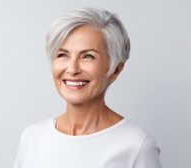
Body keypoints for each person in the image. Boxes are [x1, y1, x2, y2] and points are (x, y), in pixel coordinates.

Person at [13, 7, 162, 168]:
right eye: (62, 55)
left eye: (88, 56)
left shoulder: (136, 145)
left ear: (116, 69)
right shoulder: (32, 138)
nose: (72, 69)